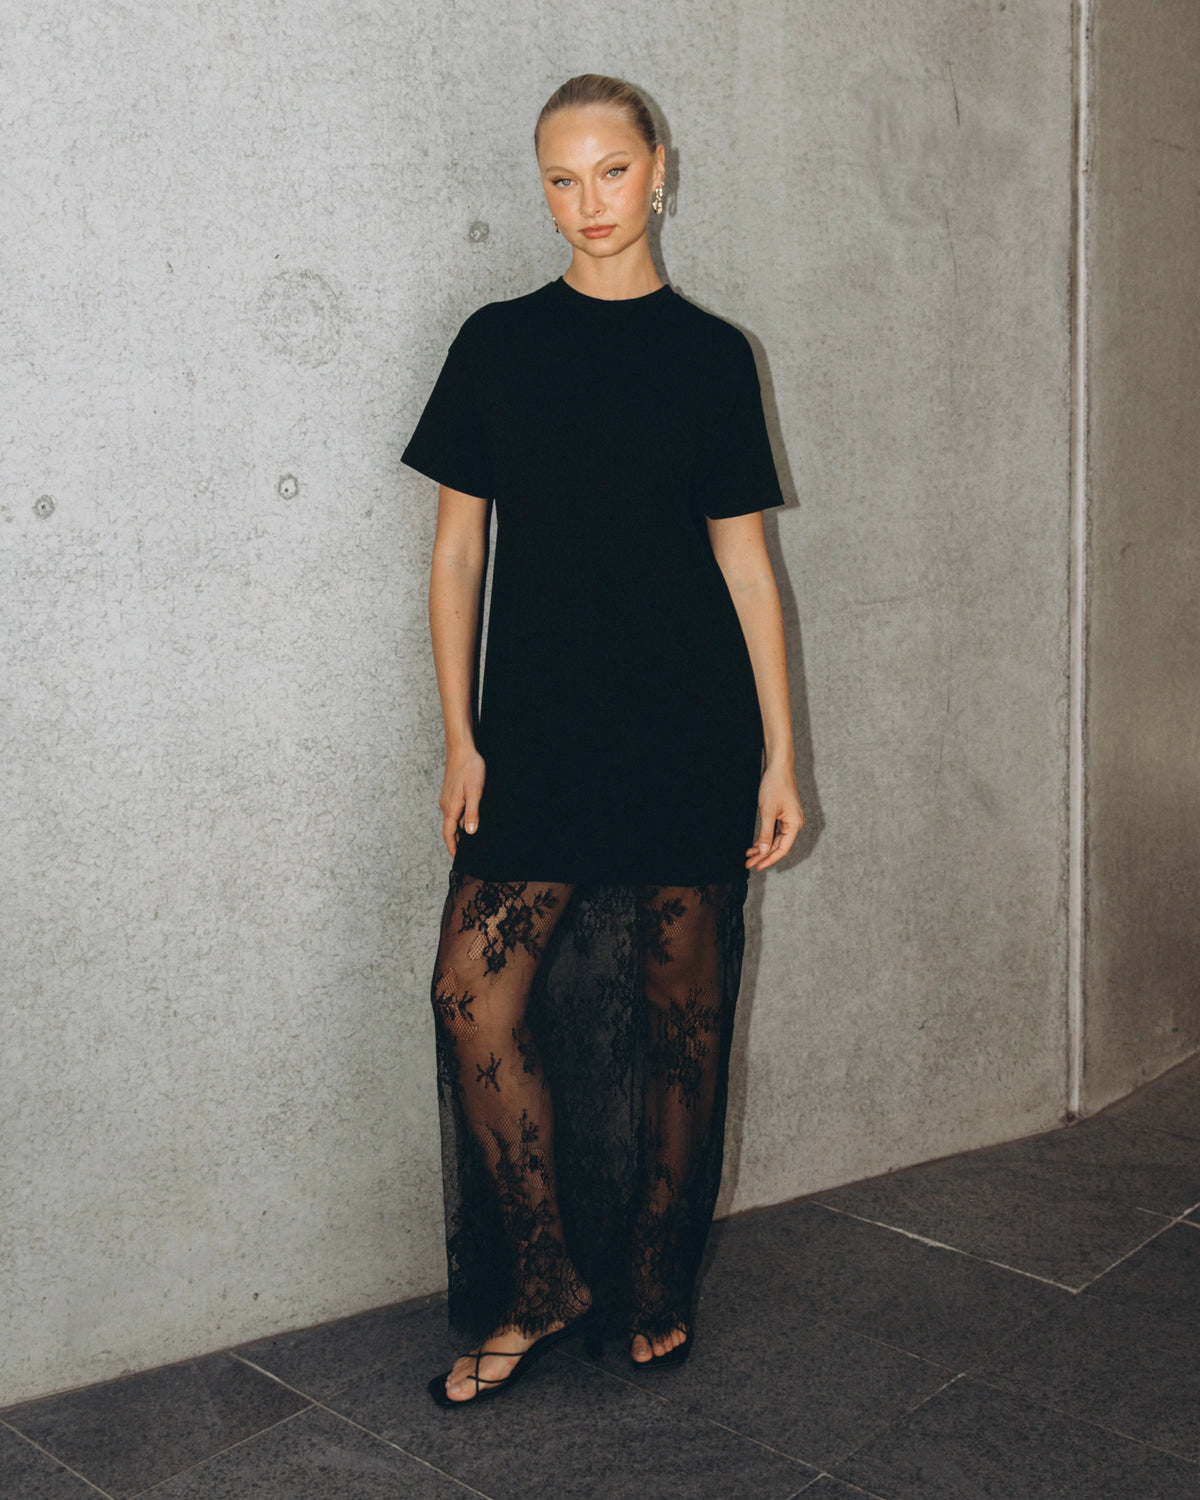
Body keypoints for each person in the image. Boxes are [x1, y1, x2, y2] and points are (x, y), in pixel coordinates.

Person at [401, 73, 803, 1408]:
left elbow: (746, 569)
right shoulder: (498, 343)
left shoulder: (713, 357)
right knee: (472, 993)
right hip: (539, 733)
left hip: (689, 727)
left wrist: (781, 756)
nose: (589, 203)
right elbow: (457, 555)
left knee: (686, 1016)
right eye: (562, 180)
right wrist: (460, 736)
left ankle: (655, 1284)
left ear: (660, 171)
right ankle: (541, 1283)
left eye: (612, 172)